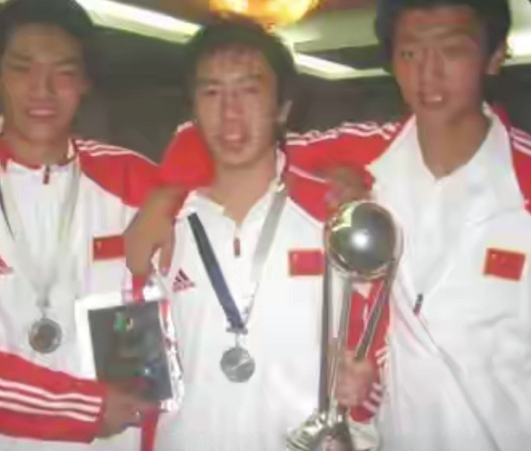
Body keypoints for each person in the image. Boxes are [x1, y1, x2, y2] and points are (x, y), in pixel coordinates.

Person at [126, 0, 531, 450]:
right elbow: (240, 141)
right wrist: (167, 195)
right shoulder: (366, 152)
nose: (428, 73)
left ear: (495, 55)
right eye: (410, 52)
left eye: (452, 50)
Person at [141, 17, 387, 451]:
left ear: (282, 109)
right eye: (212, 92)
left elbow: (383, 345)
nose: (230, 113)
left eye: (249, 91)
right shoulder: (162, 224)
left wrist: (367, 386)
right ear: (193, 108)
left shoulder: (333, 216)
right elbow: (134, 362)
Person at [0, 0, 158, 449]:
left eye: (64, 72)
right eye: (22, 69)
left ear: (85, 81)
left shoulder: (135, 182)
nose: (43, 90)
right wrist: (80, 407)